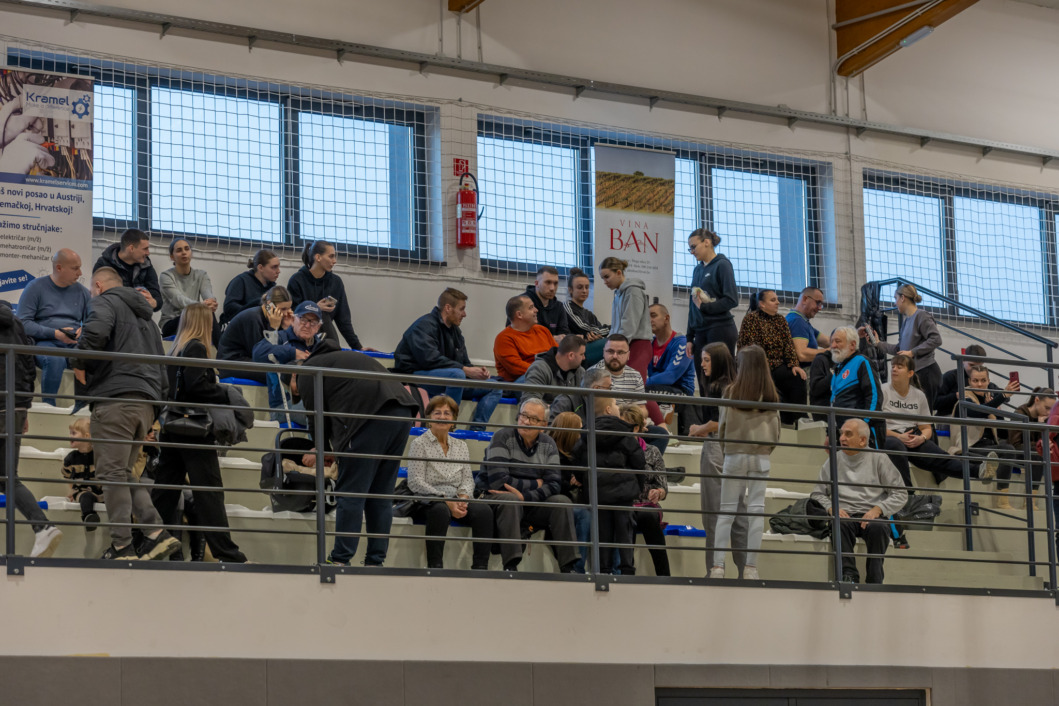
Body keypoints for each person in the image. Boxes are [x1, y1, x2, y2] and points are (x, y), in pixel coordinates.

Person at [74, 267, 180, 561]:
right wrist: (156, 408)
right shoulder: (149, 320)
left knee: (111, 475)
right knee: (122, 474)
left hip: (116, 399)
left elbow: (95, 332)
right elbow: (162, 367)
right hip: (145, 402)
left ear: (98, 286)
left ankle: (122, 546)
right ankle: (156, 534)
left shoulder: (104, 301)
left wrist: (78, 362)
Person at [295, 349, 419, 566]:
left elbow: (315, 416)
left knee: (351, 492)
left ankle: (340, 559)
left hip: (368, 415)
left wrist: (321, 449)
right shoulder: (337, 360)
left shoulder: (306, 372)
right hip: (403, 409)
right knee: (380, 494)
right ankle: (375, 562)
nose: (296, 392)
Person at [151, 303, 247, 563]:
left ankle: (148, 540)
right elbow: (196, 387)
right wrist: (225, 393)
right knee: (209, 492)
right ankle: (226, 552)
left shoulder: (177, 348)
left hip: (173, 427)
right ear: (205, 322)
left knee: (165, 491)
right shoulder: (197, 347)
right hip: (194, 431)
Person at [477, 398, 579, 573]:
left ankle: (568, 567)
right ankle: (511, 566)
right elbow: (499, 481)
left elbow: (554, 484)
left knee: (561, 502)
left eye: (533, 419)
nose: (526, 421)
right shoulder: (502, 436)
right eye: (523, 415)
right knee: (511, 500)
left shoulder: (548, 444)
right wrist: (536, 483)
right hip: (494, 497)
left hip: (528, 501)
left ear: (543, 425)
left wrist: (524, 496)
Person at [709, 345, 781, 581]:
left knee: (726, 511)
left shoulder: (731, 392)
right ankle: (751, 568)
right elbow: (776, 431)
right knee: (756, 511)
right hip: (761, 456)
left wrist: (727, 450)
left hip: (734, 455)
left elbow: (722, 427)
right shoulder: (770, 394)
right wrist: (765, 449)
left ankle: (718, 567)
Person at [810, 419, 908, 584]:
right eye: (841, 433)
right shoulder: (834, 459)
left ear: (862, 440)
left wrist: (878, 509)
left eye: (848, 434)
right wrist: (831, 508)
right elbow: (817, 493)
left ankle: (875, 579)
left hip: (872, 515)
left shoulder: (879, 458)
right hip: (845, 514)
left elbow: (900, 493)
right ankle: (848, 576)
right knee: (838, 523)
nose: (842, 438)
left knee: (879, 527)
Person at [0, 300, 63, 557]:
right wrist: (24, 406)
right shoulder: (16, 322)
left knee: (6, 478)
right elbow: (28, 365)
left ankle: (43, 526)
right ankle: (42, 526)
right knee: (7, 477)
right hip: (14, 405)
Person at [880, 354, 990, 497]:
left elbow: (926, 428)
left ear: (910, 373)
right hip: (890, 435)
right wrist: (898, 436)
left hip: (913, 436)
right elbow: (876, 425)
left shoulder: (919, 395)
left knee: (939, 456)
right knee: (896, 447)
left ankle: (978, 471)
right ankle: (908, 496)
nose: (894, 369)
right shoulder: (882, 390)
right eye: (893, 366)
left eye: (899, 367)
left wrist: (922, 438)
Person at [405, 395, 493, 570]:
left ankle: (480, 567)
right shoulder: (419, 444)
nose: (442, 417)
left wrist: (463, 498)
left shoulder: (461, 446)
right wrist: (446, 500)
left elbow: (467, 479)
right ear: (429, 417)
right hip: (429, 499)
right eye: (437, 413)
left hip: (456, 498)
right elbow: (415, 482)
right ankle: (435, 566)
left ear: (453, 419)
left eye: (447, 413)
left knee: (484, 511)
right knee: (440, 510)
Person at [393, 288, 501, 429]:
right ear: (448, 308)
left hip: (449, 379)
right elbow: (429, 360)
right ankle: (448, 427)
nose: (465, 314)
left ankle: (477, 431)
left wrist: (478, 373)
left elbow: (464, 363)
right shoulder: (423, 326)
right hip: (414, 376)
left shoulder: (456, 332)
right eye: (462, 309)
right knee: (457, 375)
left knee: (495, 386)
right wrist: (465, 370)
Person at [689, 342, 747, 574]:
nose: (702, 365)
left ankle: (716, 569)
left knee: (714, 513)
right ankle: (746, 570)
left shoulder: (718, 386)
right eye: (701, 359)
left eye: (706, 360)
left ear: (719, 361)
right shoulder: (736, 385)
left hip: (717, 446)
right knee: (739, 513)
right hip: (737, 449)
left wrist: (699, 428)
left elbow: (720, 422)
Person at [571, 396, 645, 575]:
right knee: (624, 533)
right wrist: (638, 486)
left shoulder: (587, 433)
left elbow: (578, 459)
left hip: (598, 492)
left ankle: (603, 571)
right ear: (608, 409)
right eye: (615, 404)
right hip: (623, 492)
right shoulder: (625, 433)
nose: (618, 406)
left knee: (603, 532)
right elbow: (638, 462)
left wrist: (585, 481)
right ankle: (627, 570)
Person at [16, 248, 90, 405]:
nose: (80, 273)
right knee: (55, 360)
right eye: (75, 268)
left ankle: (85, 408)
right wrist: (55, 333)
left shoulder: (83, 292)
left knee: (91, 359)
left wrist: (84, 330)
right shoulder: (35, 287)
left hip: (74, 344)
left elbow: (93, 322)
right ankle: (49, 406)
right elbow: (23, 323)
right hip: (45, 342)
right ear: (59, 268)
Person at [253, 300, 340, 423]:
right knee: (317, 410)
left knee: (341, 406)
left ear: (318, 327)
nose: (307, 325)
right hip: (282, 407)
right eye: (303, 320)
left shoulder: (321, 346)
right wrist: (293, 352)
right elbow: (257, 353)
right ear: (293, 320)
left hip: (315, 401)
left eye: (313, 322)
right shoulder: (279, 338)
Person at [862, 284, 943, 411]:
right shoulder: (906, 322)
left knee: (924, 415)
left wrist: (912, 352)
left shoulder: (922, 316)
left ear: (903, 298)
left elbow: (936, 339)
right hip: (915, 373)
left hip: (926, 372)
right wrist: (877, 343)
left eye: (896, 298)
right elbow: (899, 350)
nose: (895, 303)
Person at [737, 289, 807, 425]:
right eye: (773, 300)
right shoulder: (751, 319)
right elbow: (751, 349)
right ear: (762, 304)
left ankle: (799, 419)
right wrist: (764, 366)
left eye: (777, 299)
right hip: (758, 367)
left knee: (797, 377)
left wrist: (794, 364)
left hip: (778, 365)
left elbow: (788, 345)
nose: (778, 302)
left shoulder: (781, 320)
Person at [588, 334, 668, 450]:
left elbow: (642, 408)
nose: (615, 356)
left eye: (620, 352)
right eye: (610, 351)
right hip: (607, 425)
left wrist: (637, 420)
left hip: (631, 423)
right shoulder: (593, 374)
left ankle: (642, 460)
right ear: (603, 352)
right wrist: (626, 422)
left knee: (661, 434)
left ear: (628, 355)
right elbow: (596, 411)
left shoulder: (635, 375)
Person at [953, 365, 1017, 509]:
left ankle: (1003, 500)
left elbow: (1003, 433)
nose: (980, 384)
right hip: (968, 448)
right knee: (1002, 451)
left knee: (1009, 449)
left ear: (988, 381)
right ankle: (985, 469)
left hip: (989, 447)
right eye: (975, 381)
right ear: (969, 381)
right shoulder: (963, 401)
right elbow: (978, 413)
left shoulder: (990, 402)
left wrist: (997, 412)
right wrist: (1002, 397)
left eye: (983, 380)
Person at [619, 404, 671, 577]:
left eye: (626, 426)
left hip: (647, 504)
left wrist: (659, 492)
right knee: (626, 516)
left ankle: (664, 575)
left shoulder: (652, 452)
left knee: (646, 515)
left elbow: (663, 486)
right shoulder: (616, 452)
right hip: (624, 504)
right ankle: (627, 573)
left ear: (637, 428)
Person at [687, 228, 739, 395]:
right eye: (689, 248)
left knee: (720, 381)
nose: (692, 251)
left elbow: (732, 299)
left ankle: (722, 412)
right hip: (700, 331)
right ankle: (706, 413)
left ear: (707, 242)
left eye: (694, 247)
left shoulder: (722, 265)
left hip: (720, 328)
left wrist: (705, 307)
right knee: (703, 382)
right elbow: (693, 305)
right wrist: (689, 337)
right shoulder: (697, 270)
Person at [287, 240, 364, 350]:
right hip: (301, 336)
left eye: (334, 257)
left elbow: (343, 320)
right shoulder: (297, 280)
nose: (335, 261)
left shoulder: (336, 282)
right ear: (318, 257)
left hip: (324, 337)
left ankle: (334, 352)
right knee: (321, 313)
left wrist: (358, 347)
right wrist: (315, 308)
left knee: (323, 316)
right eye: (331, 256)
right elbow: (291, 314)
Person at [598, 257, 652, 384]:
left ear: (618, 272)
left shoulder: (633, 291)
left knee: (634, 387)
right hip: (624, 344)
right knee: (619, 385)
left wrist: (616, 347)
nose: (605, 282)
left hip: (638, 344)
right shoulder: (618, 294)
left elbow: (629, 324)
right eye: (602, 278)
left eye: (607, 277)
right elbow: (616, 327)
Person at [547, 411, 590, 573]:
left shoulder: (578, 455)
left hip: (573, 502)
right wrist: (571, 483)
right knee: (584, 514)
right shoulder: (550, 454)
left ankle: (611, 569)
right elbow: (552, 486)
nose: (581, 436)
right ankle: (576, 570)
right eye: (578, 431)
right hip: (555, 506)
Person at [829, 326, 884, 448]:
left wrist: (864, 425)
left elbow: (874, 395)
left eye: (837, 341)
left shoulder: (862, 361)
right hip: (842, 432)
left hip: (863, 433)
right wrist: (831, 433)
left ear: (852, 345)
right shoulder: (838, 368)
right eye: (831, 341)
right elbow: (833, 401)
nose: (833, 345)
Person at [646, 303, 696, 435]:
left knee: (642, 390)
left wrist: (643, 382)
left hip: (682, 393)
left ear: (666, 318)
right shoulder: (650, 343)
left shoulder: (681, 342)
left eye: (653, 315)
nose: (649, 320)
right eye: (647, 317)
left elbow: (670, 376)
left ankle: (663, 425)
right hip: (658, 389)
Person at [158, 239, 219, 339]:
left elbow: (208, 295)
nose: (184, 253)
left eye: (187, 249)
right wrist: (200, 306)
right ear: (172, 257)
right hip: (172, 322)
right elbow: (178, 300)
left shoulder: (201, 275)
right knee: (203, 313)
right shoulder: (166, 276)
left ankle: (220, 347)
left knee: (208, 313)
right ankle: (221, 348)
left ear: (191, 253)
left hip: (195, 318)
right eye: (179, 250)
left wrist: (211, 303)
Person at [934, 344, 1015, 416]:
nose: (975, 370)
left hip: (974, 418)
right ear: (963, 360)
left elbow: (1005, 397)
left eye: (979, 366)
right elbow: (934, 403)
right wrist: (956, 396)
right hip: (950, 417)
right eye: (971, 365)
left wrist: (991, 398)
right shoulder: (950, 377)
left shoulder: (988, 385)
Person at [92, 228, 161, 311]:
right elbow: (99, 297)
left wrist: (154, 302)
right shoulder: (104, 264)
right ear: (131, 248)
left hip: (139, 315)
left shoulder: (146, 265)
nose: (148, 253)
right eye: (145, 249)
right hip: (112, 314)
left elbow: (157, 298)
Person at [1010, 387, 1055, 510]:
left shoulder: (1045, 418)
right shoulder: (1020, 414)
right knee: (1038, 454)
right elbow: (1015, 444)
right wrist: (1039, 428)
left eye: (1051, 409)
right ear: (1037, 400)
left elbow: (1045, 442)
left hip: (1033, 453)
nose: (1048, 413)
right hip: (1017, 452)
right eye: (1046, 408)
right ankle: (1030, 501)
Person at [493, 294, 557, 383]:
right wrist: (547, 371)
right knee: (533, 377)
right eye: (531, 307)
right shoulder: (504, 338)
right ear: (519, 314)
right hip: (521, 381)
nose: (536, 310)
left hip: (548, 374)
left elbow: (558, 354)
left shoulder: (543, 330)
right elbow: (516, 368)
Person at [521, 334, 586, 419]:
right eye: (582, 354)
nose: (584, 358)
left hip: (569, 422)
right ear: (571, 355)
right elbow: (530, 403)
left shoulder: (580, 372)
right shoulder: (539, 369)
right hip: (542, 422)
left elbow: (585, 402)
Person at [563, 267, 610, 367]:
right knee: (612, 344)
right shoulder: (567, 307)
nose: (584, 291)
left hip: (588, 348)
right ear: (570, 290)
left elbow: (599, 331)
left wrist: (596, 336)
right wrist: (612, 328)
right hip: (575, 352)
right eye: (580, 287)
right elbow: (582, 327)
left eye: (587, 287)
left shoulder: (589, 314)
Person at [221, 249, 280, 326]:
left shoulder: (272, 286)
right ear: (260, 268)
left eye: (278, 267)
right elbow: (229, 308)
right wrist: (257, 306)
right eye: (274, 267)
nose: (278, 271)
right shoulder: (241, 281)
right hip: (237, 325)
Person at [62, 417, 101, 531]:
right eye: (70, 433)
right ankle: (89, 517)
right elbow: (67, 475)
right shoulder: (71, 458)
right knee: (86, 497)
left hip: (100, 491)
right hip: (82, 491)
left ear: (86, 436)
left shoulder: (99, 456)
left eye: (73, 433)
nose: (70, 436)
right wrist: (72, 490)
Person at [515, 266, 570, 339]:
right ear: (536, 283)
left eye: (555, 283)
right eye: (548, 282)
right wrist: (552, 339)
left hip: (554, 346)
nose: (552, 288)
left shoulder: (558, 306)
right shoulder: (521, 303)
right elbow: (520, 335)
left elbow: (564, 333)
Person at [786, 286, 829, 367]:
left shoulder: (803, 322)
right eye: (818, 303)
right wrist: (828, 352)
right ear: (805, 299)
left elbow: (827, 341)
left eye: (821, 304)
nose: (820, 308)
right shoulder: (797, 321)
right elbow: (802, 354)